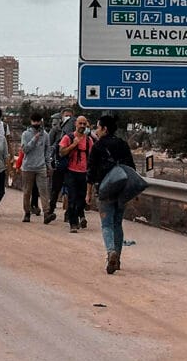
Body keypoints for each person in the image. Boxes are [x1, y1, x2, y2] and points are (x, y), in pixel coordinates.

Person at [87, 114, 136, 274]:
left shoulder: (98, 146)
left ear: (104, 129)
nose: (96, 130)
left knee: (106, 224)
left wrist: (88, 193)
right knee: (117, 223)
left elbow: (91, 172)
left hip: (105, 189)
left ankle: (111, 252)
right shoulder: (122, 144)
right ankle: (118, 258)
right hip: (122, 190)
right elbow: (131, 168)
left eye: (98, 127)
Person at [58, 115, 94, 232]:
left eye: (84, 124)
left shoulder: (89, 141)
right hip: (71, 172)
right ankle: (73, 223)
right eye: (80, 124)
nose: (82, 126)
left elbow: (92, 157)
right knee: (72, 198)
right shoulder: (68, 138)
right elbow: (61, 152)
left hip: (83, 173)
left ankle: (78, 217)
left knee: (81, 199)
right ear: (76, 124)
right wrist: (73, 145)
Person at [20, 112, 53, 224]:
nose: (36, 124)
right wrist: (34, 139)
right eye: (34, 121)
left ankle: (47, 213)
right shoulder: (25, 134)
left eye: (38, 121)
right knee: (27, 191)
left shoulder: (46, 135)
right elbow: (25, 150)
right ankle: (27, 213)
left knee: (43, 190)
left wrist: (49, 166)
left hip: (41, 166)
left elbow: (47, 152)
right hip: (28, 167)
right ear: (31, 122)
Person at [48, 108, 76, 218]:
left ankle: (68, 213)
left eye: (70, 116)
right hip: (59, 162)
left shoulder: (74, 131)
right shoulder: (56, 130)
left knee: (71, 189)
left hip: (71, 163)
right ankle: (51, 210)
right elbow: (50, 145)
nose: (68, 118)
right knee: (55, 188)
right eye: (66, 116)